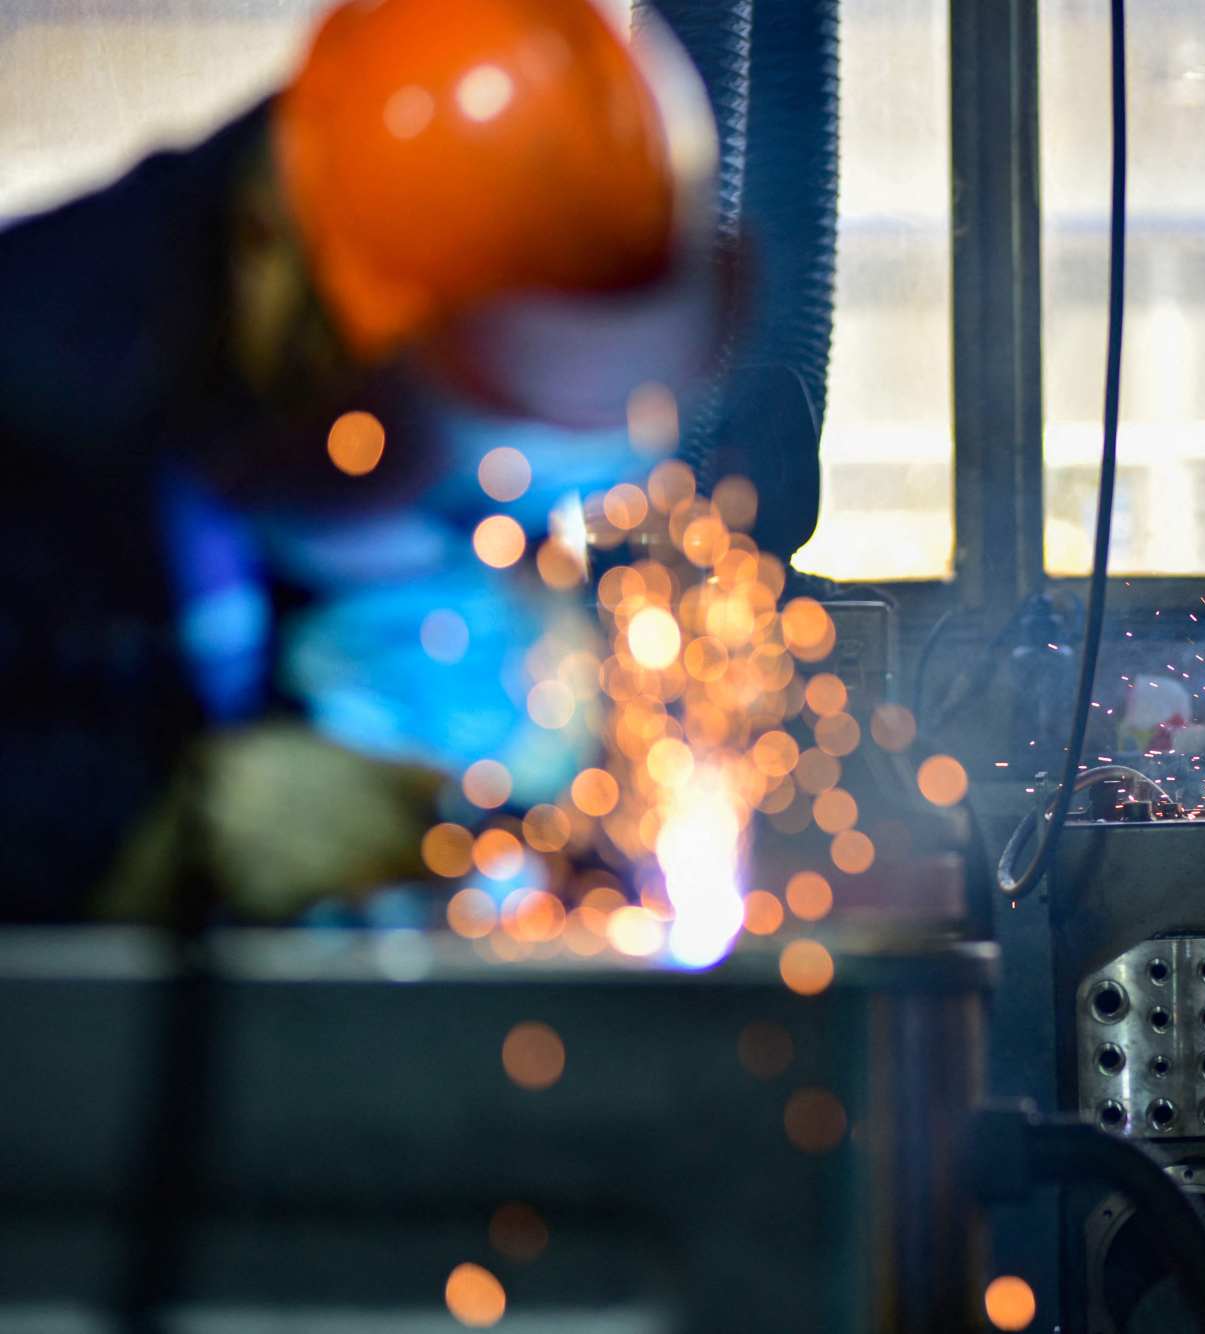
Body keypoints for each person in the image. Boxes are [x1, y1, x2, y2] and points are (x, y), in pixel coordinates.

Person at [0, 0, 728, 922]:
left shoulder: (395, 317)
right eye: (433, 411)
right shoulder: (38, 414)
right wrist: (175, 841)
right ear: (269, 249)